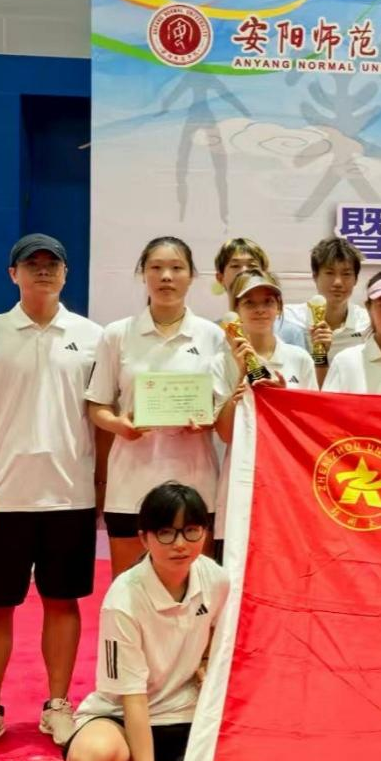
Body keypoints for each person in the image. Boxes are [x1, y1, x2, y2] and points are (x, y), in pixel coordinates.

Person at [0, 234, 104, 756]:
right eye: (31, 263)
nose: (42, 270)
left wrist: (101, 486)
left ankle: (57, 705)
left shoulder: (92, 338)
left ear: (65, 273)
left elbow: (99, 417)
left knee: (63, 601)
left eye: (51, 263)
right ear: (13, 274)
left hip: (70, 497)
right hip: (2, 497)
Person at [60, 482, 229, 761]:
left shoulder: (216, 580)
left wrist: (204, 666)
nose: (180, 544)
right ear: (144, 537)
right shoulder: (124, 599)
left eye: (191, 530)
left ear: (205, 532)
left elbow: (224, 638)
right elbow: (133, 700)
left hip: (184, 713)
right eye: (166, 532)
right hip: (122, 714)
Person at [87, 237, 227, 577]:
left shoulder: (213, 336)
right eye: (156, 267)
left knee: (196, 590)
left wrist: (207, 421)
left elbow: (223, 409)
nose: (166, 276)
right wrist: (119, 425)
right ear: (142, 274)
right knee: (130, 588)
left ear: (191, 276)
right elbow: (97, 406)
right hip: (131, 483)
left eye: (177, 268)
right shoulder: (117, 334)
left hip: (196, 481)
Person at [212, 270, 317, 563]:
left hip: (288, 482)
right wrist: (241, 374)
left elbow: (310, 431)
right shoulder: (221, 363)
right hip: (240, 480)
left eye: (268, 302)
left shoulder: (299, 359)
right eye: (250, 303)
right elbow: (225, 433)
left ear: (279, 307)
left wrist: (281, 402)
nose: (260, 310)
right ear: (236, 310)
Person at [281, 238, 370, 385]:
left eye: (346, 274)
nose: (338, 282)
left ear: (356, 279)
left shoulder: (367, 323)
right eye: (329, 273)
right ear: (315, 276)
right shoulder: (288, 319)